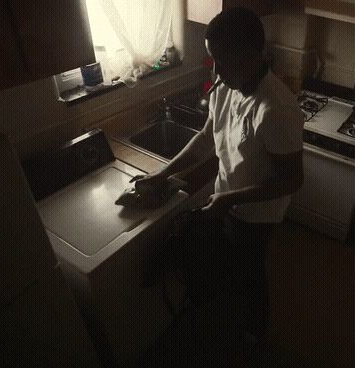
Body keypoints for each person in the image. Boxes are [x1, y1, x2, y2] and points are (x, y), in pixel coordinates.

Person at [134, 6, 304, 348]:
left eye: (222, 60)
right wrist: (164, 173)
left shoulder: (275, 110)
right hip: (227, 197)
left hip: (256, 212)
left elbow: (291, 181)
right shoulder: (226, 86)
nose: (215, 68)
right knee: (233, 267)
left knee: (252, 272)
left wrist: (230, 199)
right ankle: (230, 316)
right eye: (213, 59)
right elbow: (208, 138)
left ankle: (254, 333)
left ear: (254, 55)